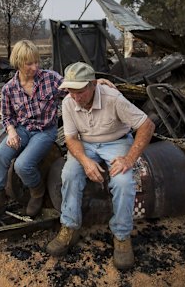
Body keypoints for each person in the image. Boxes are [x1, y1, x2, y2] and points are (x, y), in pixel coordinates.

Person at [0, 40, 117, 228]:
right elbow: (7, 116)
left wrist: (95, 83)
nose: (35, 67)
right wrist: (11, 131)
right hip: (22, 130)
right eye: (29, 63)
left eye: (37, 62)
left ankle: (37, 192)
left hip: (45, 131)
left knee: (23, 165)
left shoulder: (50, 78)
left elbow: (74, 87)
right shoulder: (9, 89)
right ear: (18, 62)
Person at [46, 62, 156, 270]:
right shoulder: (68, 101)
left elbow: (147, 125)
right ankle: (69, 226)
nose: (76, 97)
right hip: (85, 144)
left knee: (124, 181)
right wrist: (86, 162)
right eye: (71, 90)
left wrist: (129, 159)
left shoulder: (113, 98)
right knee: (70, 173)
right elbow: (70, 138)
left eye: (80, 91)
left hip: (116, 142)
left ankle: (122, 236)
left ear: (93, 84)